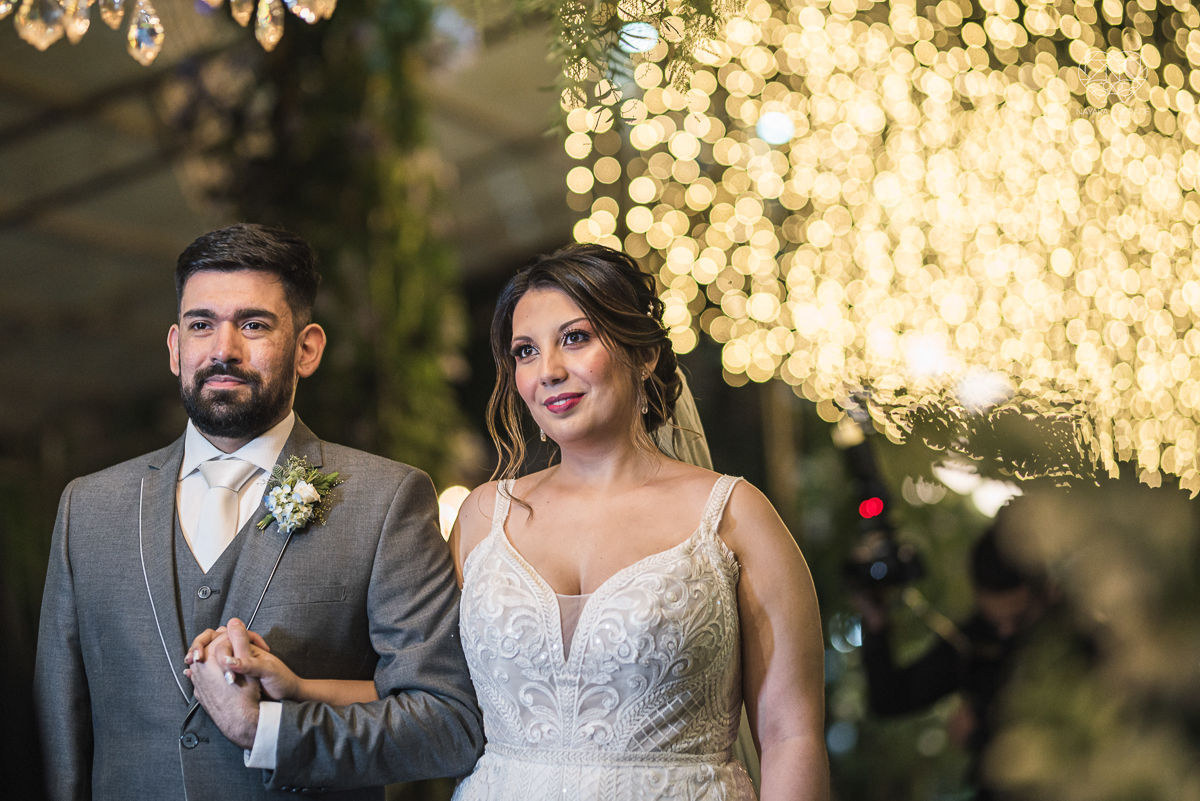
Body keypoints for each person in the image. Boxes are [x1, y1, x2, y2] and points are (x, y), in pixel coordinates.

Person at [201, 244, 829, 800]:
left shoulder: (734, 517)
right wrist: (298, 686)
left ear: (642, 354)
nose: (548, 370)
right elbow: (440, 700)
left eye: (576, 338)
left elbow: (790, 735)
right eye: (526, 351)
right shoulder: (482, 518)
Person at [33, 224, 484, 801]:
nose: (223, 349)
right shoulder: (87, 509)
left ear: (307, 348)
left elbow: (447, 725)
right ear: (174, 347)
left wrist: (269, 731)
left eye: (253, 324)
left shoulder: (385, 500)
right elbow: (62, 727)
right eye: (202, 324)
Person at [856, 518, 1053, 800]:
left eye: (1019, 619)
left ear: (1049, 591)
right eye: (994, 620)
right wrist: (875, 621)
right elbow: (890, 698)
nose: (1005, 631)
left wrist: (982, 732)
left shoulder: (1076, 638)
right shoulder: (972, 640)